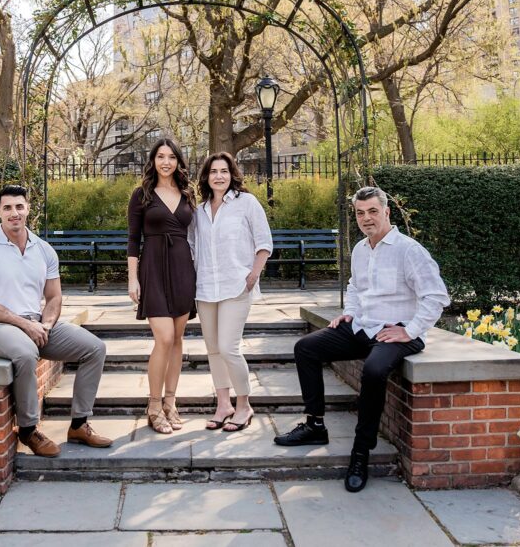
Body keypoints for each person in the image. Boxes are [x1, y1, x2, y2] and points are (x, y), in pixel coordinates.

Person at [274, 185, 450, 493]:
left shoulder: (409, 250)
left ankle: (360, 451)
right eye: (360, 213)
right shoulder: (360, 248)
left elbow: (436, 296)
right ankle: (315, 425)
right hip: (364, 327)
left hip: (398, 333)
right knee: (306, 348)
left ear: (386, 212)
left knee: (373, 370)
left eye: (372, 211)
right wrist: (349, 313)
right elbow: (356, 287)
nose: (366, 218)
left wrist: (409, 330)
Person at [0, 185, 113, 457]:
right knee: (25, 353)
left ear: (28, 209)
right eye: (7, 207)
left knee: (95, 348)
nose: (14, 213)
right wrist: (25, 325)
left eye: (19, 206)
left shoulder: (43, 250)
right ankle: (29, 429)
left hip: (37, 324)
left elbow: (54, 297)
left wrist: (45, 324)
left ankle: (79, 424)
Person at [192, 152, 272, 432]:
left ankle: (244, 404)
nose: (219, 176)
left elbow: (264, 242)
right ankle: (223, 404)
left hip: (236, 285)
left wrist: (253, 275)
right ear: (206, 177)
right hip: (205, 288)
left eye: (224, 171)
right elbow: (192, 248)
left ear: (232, 174)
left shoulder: (246, 203)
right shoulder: (199, 211)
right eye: (213, 171)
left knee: (228, 348)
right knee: (213, 350)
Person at [127, 138, 198, 434]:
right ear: (153, 160)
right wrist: (133, 278)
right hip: (153, 268)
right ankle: (153, 405)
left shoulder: (187, 193)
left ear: (178, 161)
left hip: (182, 268)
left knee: (178, 339)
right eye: (160, 156)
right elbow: (133, 240)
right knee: (165, 338)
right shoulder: (141, 194)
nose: (165, 162)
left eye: (171, 157)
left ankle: (171, 402)